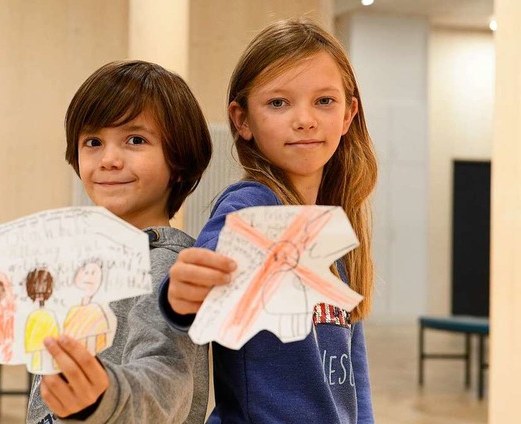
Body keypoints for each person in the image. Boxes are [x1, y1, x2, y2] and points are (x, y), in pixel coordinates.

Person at [159, 17, 377, 424]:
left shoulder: (332, 232)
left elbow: (354, 379)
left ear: (349, 114)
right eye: (279, 103)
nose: (305, 119)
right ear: (242, 121)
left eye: (324, 101)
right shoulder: (250, 207)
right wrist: (182, 291)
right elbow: (197, 289)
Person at [26, 60, 213, 424]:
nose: (109, 159)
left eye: (136, 140)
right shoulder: (90, 263)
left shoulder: (167, 268)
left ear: (179, 161)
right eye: (93, 142)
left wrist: (100, 400)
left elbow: (166, 382)